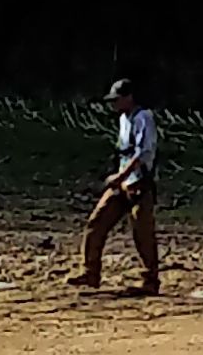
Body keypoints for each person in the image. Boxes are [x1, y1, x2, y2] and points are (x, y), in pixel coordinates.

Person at [70, 79, 159, 295]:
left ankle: (150, 280)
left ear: (129, 98)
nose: (114, 104)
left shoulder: (143, 118)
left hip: (139, 184)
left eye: (117, 99)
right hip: (123, 183)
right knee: (96, 222)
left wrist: (121, 176)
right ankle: (90, 272)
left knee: (142, 234)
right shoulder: (123, 119)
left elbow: (143, 153)